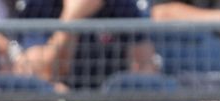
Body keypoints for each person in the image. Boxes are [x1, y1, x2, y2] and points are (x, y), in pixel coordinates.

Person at [10, 0, 160, 91]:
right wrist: (72, 17)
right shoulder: (40, 5)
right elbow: (42, 71)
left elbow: (145, 67)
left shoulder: (121, 5)